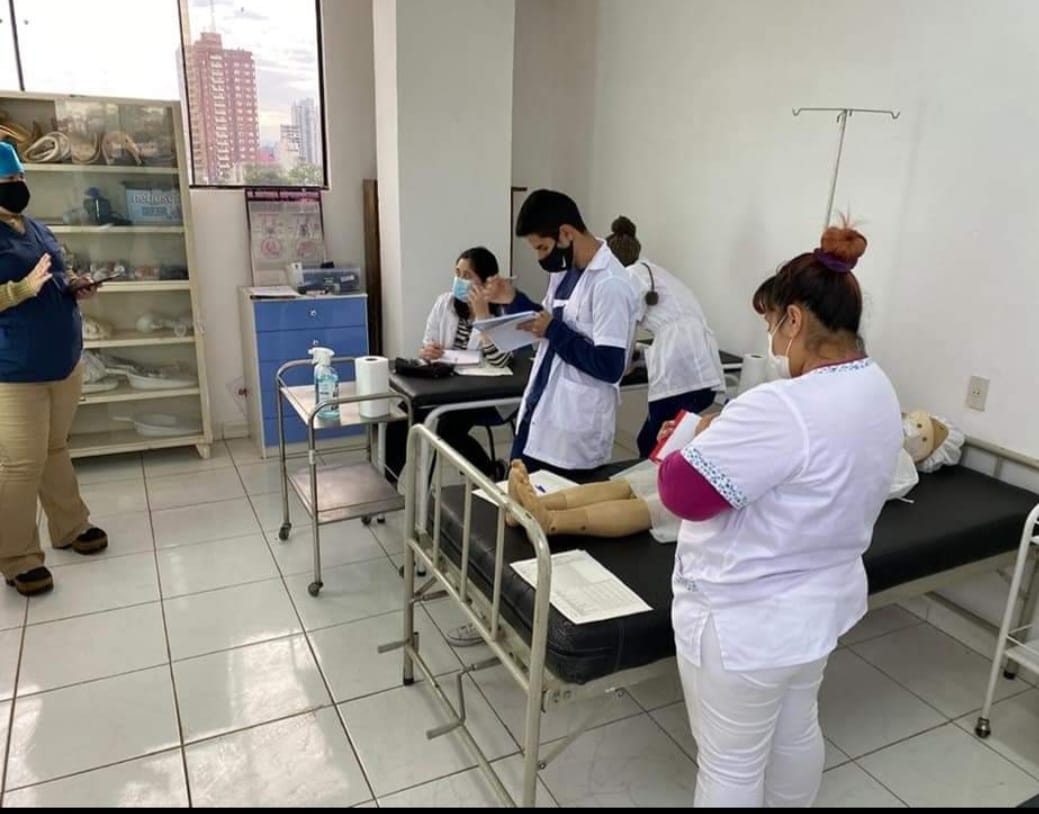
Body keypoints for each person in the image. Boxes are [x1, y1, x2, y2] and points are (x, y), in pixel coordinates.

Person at [655, 221, 902, 807]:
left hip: (745, 626)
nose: (769, 339)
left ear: (793, 320)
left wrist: (690, 443)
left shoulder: (781, 404)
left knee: (729, 765)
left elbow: (681, 493)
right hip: (817, 611)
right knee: (796, 729)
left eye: (770, 325)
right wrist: (718, 436)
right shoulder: (877, 387)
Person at [0, 142, 108, 597]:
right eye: (7, 181)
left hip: (63, 360)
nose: (16, 186)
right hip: (15, 370)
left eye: (19, 178)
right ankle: (18, 558)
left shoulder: (37, 228)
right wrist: (18, 290)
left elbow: (55, 276)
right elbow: (25, 288)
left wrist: (74, 284)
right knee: (21, 464)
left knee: (55, 448)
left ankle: (70, 527)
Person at [484, 190, 638, 475]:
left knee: (548, 502)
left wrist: (554, 330)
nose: (541, 256)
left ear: (566, 233)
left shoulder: (610, 284)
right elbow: (545, 322)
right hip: (538, 412)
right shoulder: (565, 272)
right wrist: (513, 299)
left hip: (571, 431)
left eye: (543, 247)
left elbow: (610, 366)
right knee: (516, 496)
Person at [384, 246, 513, 484]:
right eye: (457, 273)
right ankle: (388, 485)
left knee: (448, 430)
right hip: (444, 386)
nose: (459, 280)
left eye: (467, 276)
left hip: (482, 393)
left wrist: (482, 315)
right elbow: (428, 343)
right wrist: (428, 351)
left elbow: (498, 360)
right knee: (400, 420)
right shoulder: (445, 303)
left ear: (486, 281)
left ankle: (489, 473)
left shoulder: (503, 312)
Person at [605, 216, 726, 458]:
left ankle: (654, 477)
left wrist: (622, 365)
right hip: (700, 361)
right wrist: (640, 357)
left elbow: (626, 328)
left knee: (654, 442)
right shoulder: (653, 271)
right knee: (661, 437)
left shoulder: (629, 276)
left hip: (678, 364)